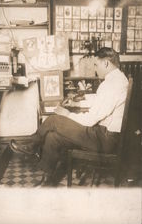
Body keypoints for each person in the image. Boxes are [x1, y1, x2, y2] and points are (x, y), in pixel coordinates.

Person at [10, 47, 129, 186]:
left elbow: (91, 120)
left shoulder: (113, 84)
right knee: (53, 137)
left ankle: (32, 145)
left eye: (96, 65)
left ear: (106, 64)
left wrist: (68, 114)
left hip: (106, 140)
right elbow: (99, 100)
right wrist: (76, 104)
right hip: (104, 135)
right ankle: (47, 181)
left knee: (54, 120)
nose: (95, 69)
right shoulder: (117, 80)